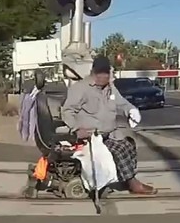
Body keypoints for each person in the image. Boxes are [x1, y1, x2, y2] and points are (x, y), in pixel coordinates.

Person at [60, 55, 157, 195]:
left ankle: (126, 177)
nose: (101, 77)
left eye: (105, 73)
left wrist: (131, 110)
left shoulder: (110, 88)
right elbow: (67, 111)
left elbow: (121, 102)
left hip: (110, 133)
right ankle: (133, 183)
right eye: (98, 73)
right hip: (92, 136)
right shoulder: (80, 88)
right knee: (119, 150)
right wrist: (75, 128)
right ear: (93, 72)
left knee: (129, 144)